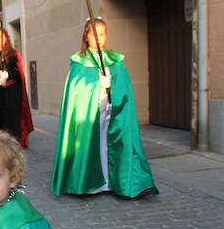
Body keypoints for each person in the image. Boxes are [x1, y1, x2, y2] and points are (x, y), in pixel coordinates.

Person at [51, 18, 158, 198]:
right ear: (86, 36)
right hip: (91, 115)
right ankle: (90, 184)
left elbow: (124, 89)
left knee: (119, 143)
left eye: (102, 34)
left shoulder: (115, 59)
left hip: (113, 111)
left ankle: (126, 183)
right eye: (94, 34)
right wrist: (96, 84)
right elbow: (78, 92)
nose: (98, 38)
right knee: (93, 144)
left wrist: (112, 89)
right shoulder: (80, 62)